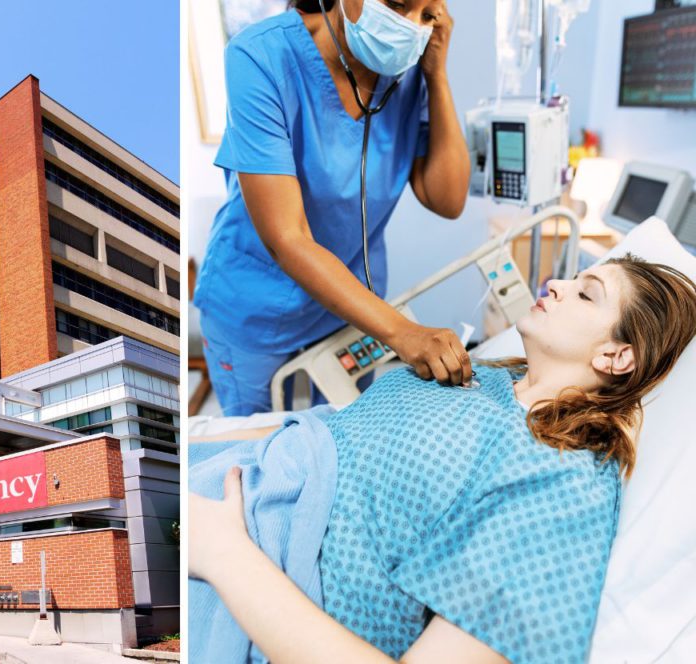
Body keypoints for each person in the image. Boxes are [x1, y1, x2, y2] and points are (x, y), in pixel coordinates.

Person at [188, 255, 696, 663]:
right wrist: (200, 441)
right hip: (229, 473)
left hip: (248, 554)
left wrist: (222, 553)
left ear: (616, 356)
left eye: (586, 293)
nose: (556, 284)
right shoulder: (483, 375)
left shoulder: (562, 480)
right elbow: (338, 428)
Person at [194, 0, 472, 416]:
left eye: (428, 15)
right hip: (256, 308)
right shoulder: (260, 56)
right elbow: (287, 238)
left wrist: (437, 75)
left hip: (350, 309)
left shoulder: (409, 76)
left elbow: (447, 200)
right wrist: (403, 332)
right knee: (256, 451)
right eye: (398, 6)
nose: (411, 26)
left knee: (339, 440)